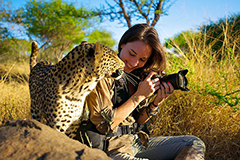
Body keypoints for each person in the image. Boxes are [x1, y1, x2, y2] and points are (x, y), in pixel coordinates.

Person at [76, 23, 206, 160]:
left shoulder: (136, 77)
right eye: (132, 54)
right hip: (111, 148)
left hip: (135, 143)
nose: (133, 63)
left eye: (142, 60)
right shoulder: (103, 72)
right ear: (122, 44)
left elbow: (139, 119)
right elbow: (105, 124)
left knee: (194, 143)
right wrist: (139, 96)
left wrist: (155, 103)